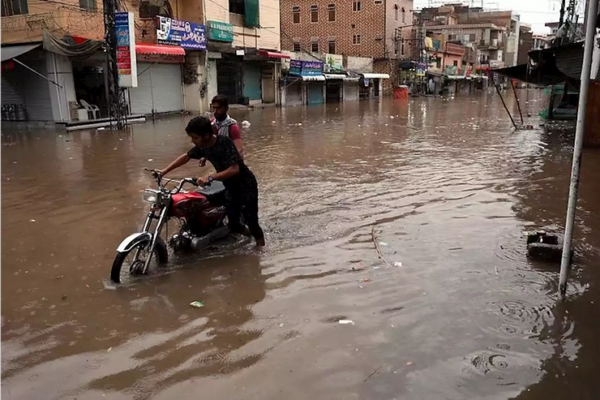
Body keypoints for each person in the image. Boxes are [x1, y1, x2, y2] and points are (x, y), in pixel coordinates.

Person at [157, 116, 265, 247]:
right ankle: (249, 236)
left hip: (245, 185)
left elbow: (234, 169)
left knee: (252, 221)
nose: (192, 141)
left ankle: (260, 250)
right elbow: (186, 157)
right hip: (230, 186)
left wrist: (210, 177)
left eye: (195, 137)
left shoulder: (224, 143)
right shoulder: (203, 147)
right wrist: (163, 172)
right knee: (234, 224)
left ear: (206, 135)